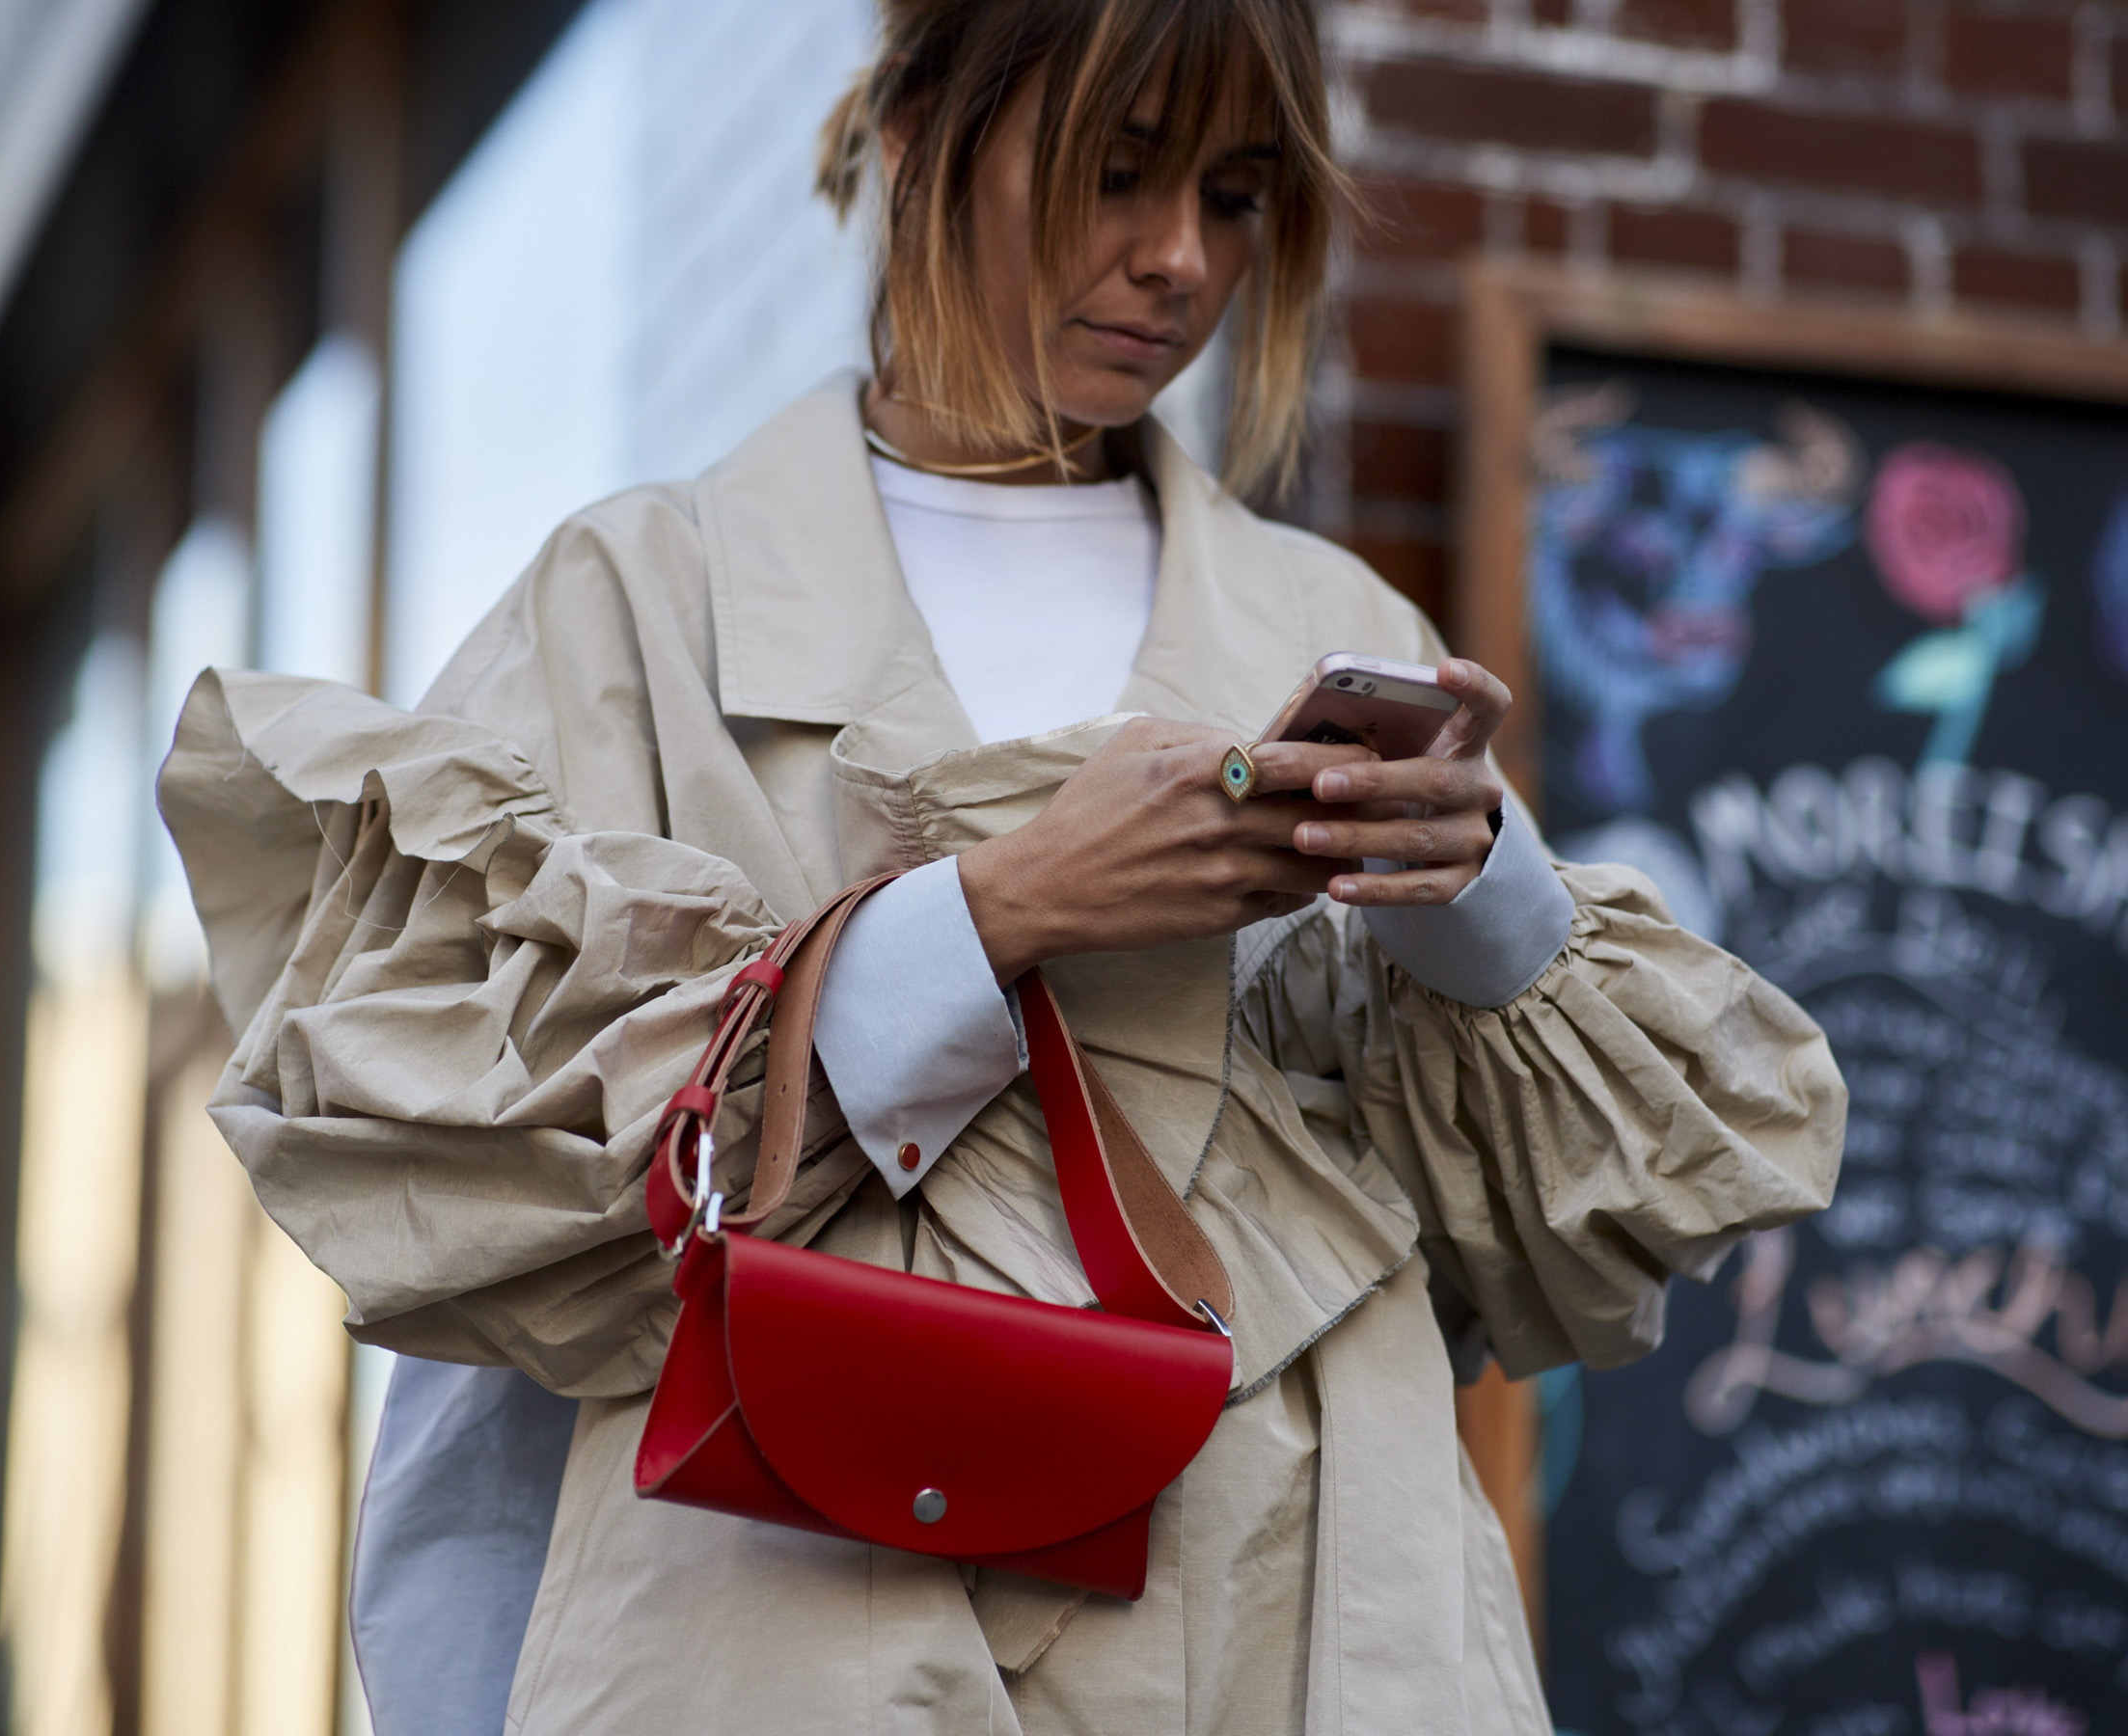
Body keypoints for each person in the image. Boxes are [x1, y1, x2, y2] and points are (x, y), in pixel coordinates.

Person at [159, 0, 1846, 1729]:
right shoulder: (639, 605)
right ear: (914, 137)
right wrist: (1002, 915)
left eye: (1240, 195)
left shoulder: (1331, 626)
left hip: (1305, 1610)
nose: (1181, 260)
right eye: (1116, 172)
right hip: (775, 1607)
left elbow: (1568, 1241)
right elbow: (477, 1192)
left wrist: (1485, 887)